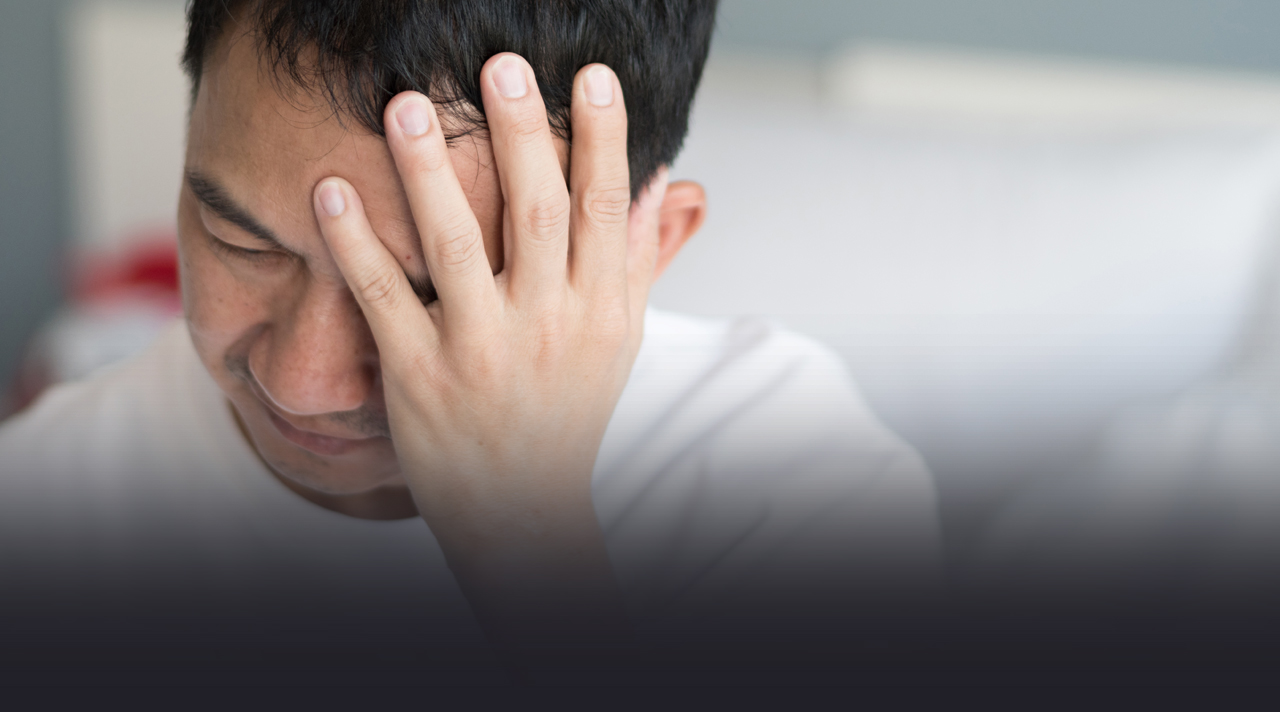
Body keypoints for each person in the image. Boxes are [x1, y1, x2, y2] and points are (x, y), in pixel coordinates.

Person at [0, 0, 938, 671]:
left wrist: (522, 536)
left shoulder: (805, 496)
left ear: (644, 251)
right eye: (241, 242)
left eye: (432, 292)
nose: (302, 378)